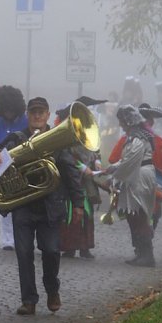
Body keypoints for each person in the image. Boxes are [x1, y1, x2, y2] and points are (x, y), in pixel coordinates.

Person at [0, 97, 84, 315]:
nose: (37, 116)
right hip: (24, 205)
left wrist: (78, 203)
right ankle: (29, 300)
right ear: (28, 115)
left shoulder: (58, 140)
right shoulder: (17, 139)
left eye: (41, 112)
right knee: (23, 253)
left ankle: (52, 289)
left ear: (48, 115)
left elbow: (71, 173)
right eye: (33, 112)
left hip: (50, 206)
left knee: (50, 251)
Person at [103, 105, 158, 266]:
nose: (120, 124)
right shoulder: (136, 137)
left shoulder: (138, 139)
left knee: (139, 216)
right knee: (134, 215)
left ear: (128, 121)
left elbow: (130, 162)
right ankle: (141, 253)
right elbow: (128, 159)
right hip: (137, 175)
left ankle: (147, 255)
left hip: (139, 177)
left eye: (121, 121)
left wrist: (114, 176)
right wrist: (113, 167)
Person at [56, 97, 105, 260]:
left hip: (87, 179)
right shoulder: (68, 129)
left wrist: (97, 160)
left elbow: (95, 147)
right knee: (72, 212)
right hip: (72, 177)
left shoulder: (90, 128)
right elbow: (65, 154)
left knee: (87, 213)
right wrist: (82, 168)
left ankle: (85, 247)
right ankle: (69, 247)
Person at [0, 85, 28, 251]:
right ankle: (7, 240)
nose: (9, 113)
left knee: (23, 207)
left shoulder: (26, 121)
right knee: (5, 207)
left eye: (12, 110)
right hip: (3, 170)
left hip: (23, 168)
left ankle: (23, 238)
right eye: (6, 110)